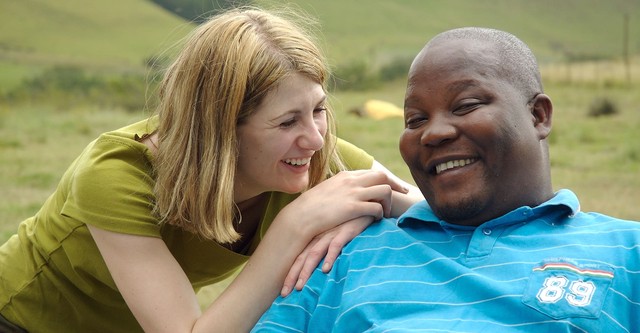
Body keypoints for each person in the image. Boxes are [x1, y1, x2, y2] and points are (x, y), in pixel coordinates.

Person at [0, 7, 423, 333]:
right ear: (221, 130)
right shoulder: (115, 175)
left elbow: (427, 208)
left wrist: (371, 206)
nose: (314, 139)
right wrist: (294, 225)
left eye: (318, 110)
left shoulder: (311, 153)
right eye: (287, 121)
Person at [252, 27, 640, 332]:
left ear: (538, 116)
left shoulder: (627, 252)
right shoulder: (342, 255)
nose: (433, 133)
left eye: (466, 105)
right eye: (414, 120)